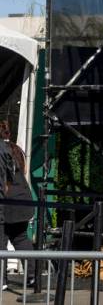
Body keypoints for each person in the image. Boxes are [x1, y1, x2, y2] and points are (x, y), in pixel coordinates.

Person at [0, 121, 34, 288]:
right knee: (20, 238)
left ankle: (1, 280)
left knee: (1, 241)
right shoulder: (16, 149)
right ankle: (34, 275)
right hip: (23, 199)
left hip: (8, 202)